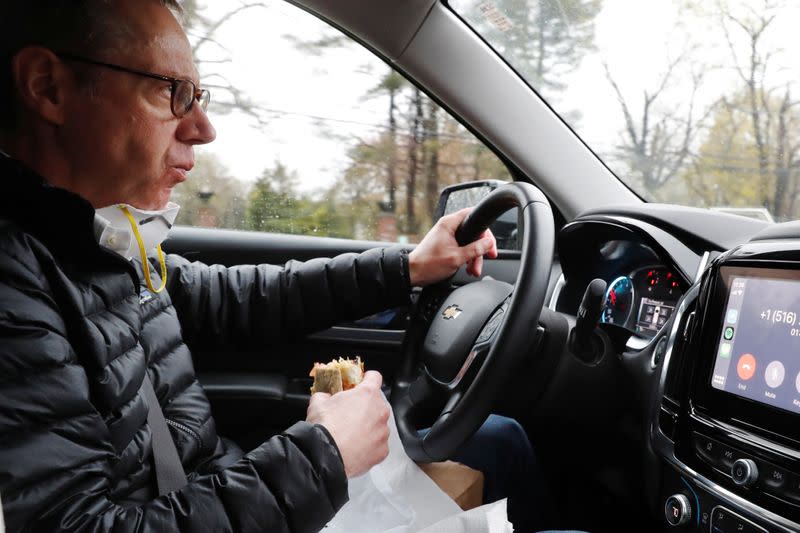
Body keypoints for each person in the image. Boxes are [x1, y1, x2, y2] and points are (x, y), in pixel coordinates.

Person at [0, 1, 551, 532]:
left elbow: (237, 297)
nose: (202, 128)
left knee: (500, 440)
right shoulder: (16, 280)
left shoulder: (103, 241)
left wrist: (406, 267)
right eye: (172, 91)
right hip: (225, 499)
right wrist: (323, 456)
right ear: (49, 87)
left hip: (218, 488)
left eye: (199, 95)